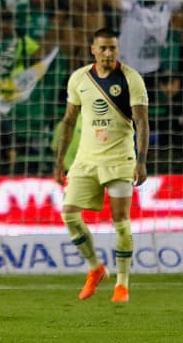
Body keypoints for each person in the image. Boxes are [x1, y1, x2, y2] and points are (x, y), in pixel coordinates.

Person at [53, 28, 149, 304]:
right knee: (69, 214)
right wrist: (60, 160)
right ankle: (95, 268)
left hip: (119, 160)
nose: (108, 53)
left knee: (120, 222)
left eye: (113, 49)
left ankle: (122, 284)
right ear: (92, 49)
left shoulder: (131, 79)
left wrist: (141, 161)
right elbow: (69, 120)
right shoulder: (79, 79)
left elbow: (142, 122)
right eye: (103, 48)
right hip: (85, 160)